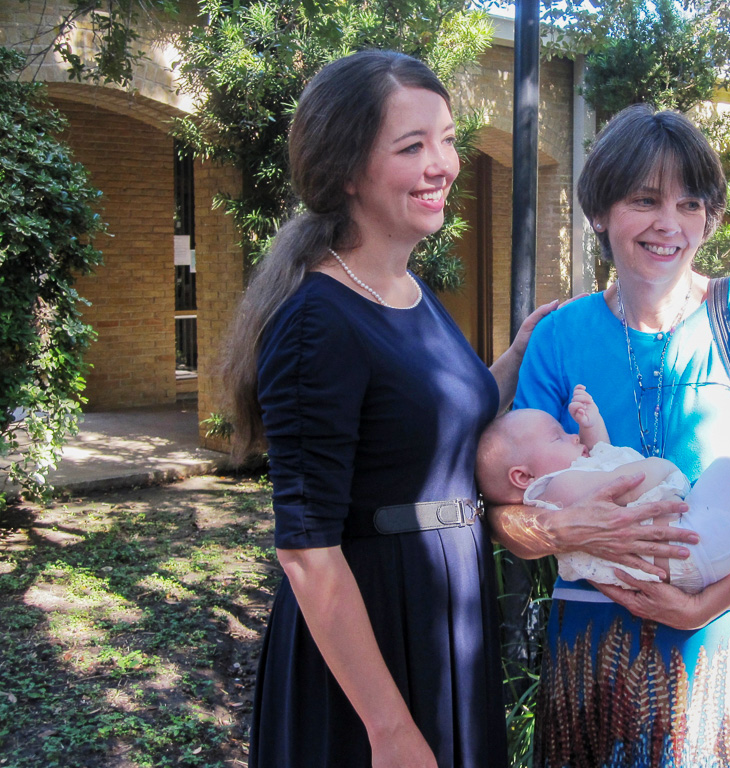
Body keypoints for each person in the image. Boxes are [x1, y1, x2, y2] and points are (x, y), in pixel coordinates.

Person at [219, 50, 641, 768]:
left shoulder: (407, 292)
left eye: (446, 139)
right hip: (373, 641)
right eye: (411, 146)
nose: (441, 163)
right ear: (347, 171)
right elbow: (306, 552)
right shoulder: (317, 322)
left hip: (445, 617)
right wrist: (389, 732)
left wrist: (511, 361)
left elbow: (425, 427)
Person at [487, 105, 730, 767]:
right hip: (593, 642)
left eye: (689, 204)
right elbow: (505, 514)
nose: (667, 224)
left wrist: (703, 602)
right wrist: (568, 533)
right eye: (644, 200)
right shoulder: (561, 336)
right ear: (600, 213)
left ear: (709, 218)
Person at [477, 386, 730, 599]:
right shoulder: (557, 486)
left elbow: (603, 456)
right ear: (523, 477)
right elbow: (621, 480)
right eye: (557, 436)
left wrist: (592, 424)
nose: (570, 434)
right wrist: (661, 470)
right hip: (684, 551)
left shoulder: (565, 481)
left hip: (687, 553)